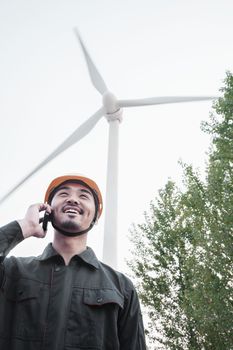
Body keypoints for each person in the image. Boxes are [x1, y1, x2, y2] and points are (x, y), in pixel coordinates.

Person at [0, 174, 146, 350]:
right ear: (47, 209)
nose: (73, 199)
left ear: (95, 217)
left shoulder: (121, 287)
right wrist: (23, 227)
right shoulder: (12, 271)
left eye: (83, 196)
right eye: (63, 194)